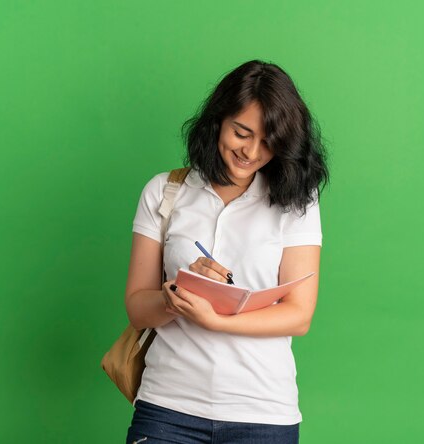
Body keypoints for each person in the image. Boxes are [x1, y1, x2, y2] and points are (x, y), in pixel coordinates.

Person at [124, 60, 329, 444]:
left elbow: (299, 315)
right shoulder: (164, 191)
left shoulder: (298, 201)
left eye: (269, 141)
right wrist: (177, 296)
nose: (251, 152)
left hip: (263, 412)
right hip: (167, 408)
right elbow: (137, 307)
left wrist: (215, 320)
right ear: (218, 120)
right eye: (241, 133)